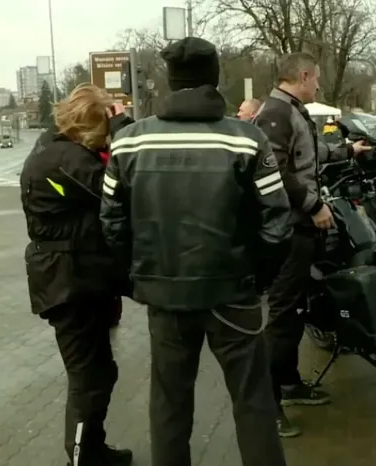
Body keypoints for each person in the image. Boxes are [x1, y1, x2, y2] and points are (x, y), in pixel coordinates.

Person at [99, 37, 292, 466]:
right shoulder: (247, 139)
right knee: (253, 403)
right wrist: (256, 278)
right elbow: (278, 222)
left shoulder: (129, 142)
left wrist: (138, 280)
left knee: (169, 405)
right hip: (234, 294)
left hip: (165, 296)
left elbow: (111, 224)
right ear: (215, 78)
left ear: (170, 81)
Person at [253, 51, 370, 437]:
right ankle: (267, 407)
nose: (318, 84)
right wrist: (314, 205)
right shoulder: (276, 113)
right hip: (289, 227)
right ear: (303, 75)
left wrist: (347, 151)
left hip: (301, 226)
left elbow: (308, 156)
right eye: (316, 78)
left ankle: (289, 384)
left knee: (297, 309)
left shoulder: (291, 110)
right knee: (284, 314)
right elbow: (276, 172)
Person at [20, 84, 134, 466]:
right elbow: (120, 192)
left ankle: (93, 450)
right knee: (89, 377)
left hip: (75, 279)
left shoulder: (57, 150)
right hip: (70, 283)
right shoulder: (68, 160)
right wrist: (124, 130)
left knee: (99, 372)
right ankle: (84, 458)